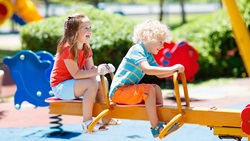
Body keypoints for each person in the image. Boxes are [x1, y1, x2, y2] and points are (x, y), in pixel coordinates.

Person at [109, 19, 185, 138]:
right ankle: (156, 128)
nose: (162, 46)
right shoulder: (137, 49)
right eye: (160, 42)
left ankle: (163, 121)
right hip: (119, 92)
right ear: (148, 37)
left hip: (127, 90)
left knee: (157, 89)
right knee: (148, 90)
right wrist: (172, 68)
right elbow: (148, 70)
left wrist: (174, 70)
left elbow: (158, 74)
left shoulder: (148, 54)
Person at [50, 13, 121, 133]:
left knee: (100, 80)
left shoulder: (86, 47)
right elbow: (76, 74)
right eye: (85, 28)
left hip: (73, 83)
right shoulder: (68, 49)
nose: (90, 31)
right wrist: (96, 71)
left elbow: (91, 69)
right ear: (74, 32)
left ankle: (105, 117)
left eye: (90, 27)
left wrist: (104, 68)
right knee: (91, 84)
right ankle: (87, 122)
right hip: (60, 86)